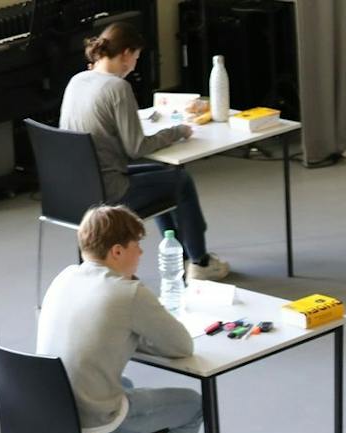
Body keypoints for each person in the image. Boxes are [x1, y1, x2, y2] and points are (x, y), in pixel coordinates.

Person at [37, 205, 206, 433]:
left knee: (123, 386)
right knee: (193, 405)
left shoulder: (65, 277)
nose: (141, 252)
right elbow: (181, 346)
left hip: (52, 422)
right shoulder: (127, 292)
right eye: (136, 245)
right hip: (93, 428)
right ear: (117, 251)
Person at [60, 21, 228, 281]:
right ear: (126, 53)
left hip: (76, 188)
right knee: (181, 181)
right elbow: (136, 147)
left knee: (166, 173)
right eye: (136, 58)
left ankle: (181, 255)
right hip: (109, 190)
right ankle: (199, 261)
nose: (135, 65)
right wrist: (177, 131)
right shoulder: (117, 87)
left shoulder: (77, 80)